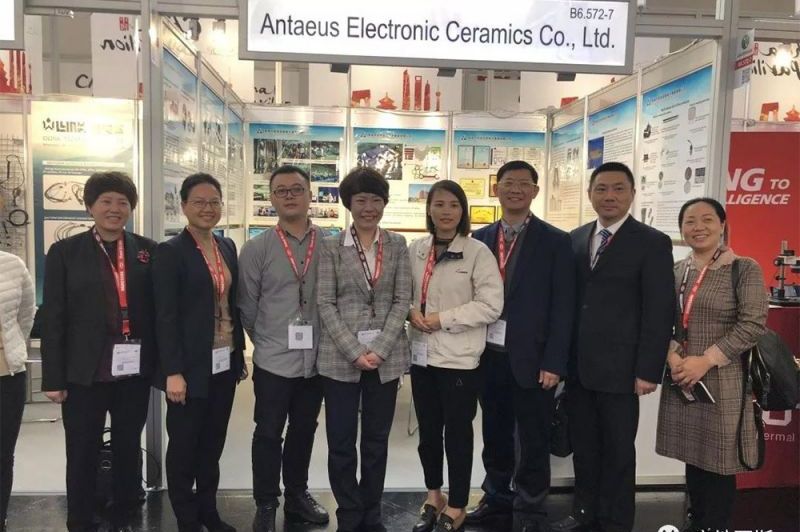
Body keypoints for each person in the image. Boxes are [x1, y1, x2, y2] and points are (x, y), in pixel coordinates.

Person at [552, 162, 674, 532]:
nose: (609, 196)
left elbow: (659, 310)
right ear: (590, 193)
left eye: (618, 188)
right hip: (579, 368)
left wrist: (648, 370)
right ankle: (583, 514)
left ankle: (617, 521)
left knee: (619, 452)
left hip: (623, 369)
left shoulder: (652, 242)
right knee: (584, 448)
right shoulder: (574, 238)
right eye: (601, 188)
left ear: (632, 194)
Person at [40, 171, 158, 532]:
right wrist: (53, 378)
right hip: (84, 372)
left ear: (131, 208)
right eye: (106, 201)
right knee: (81, 448)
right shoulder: (65, 252)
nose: (114, 208)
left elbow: (159, 313)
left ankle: (124, 513)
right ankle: (80, 517)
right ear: (90, 206)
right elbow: (53, 317)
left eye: (123, 202)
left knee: (127, 445)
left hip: (133, 371)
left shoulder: (148, 251)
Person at [468, 161, 577, 532]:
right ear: (496, 189)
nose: (515, 190)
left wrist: (555, 362)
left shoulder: (556, 241)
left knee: (533, 438)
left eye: (523, 184)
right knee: (494, 435)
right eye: (508, 183)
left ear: (535, 191)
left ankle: (530, 509)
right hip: (487, 357)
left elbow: (563, 306)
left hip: (534, 359)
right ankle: (496, 499)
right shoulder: (479, 239)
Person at [656, 198, 767, 532]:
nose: (698, 227)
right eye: (690, 221)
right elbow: (664, 322)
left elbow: (753, 324)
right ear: (681, 229)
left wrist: (705, 360)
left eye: (707, 219)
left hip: (723, 377)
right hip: (683, 376)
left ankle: (715, 524)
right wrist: (673, 356)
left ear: (722, 225)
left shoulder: (743, 268)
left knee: (719, 461)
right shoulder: (677, 270)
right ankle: (698, 520)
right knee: (694, 455)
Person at [316, 167, 412, 532]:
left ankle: (372, 512)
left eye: (375, 200)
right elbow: (325, 303)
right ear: (348, 204)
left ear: (384, 203)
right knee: (341, 443)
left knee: (376, 442)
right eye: (361, 200)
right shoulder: (330, 246)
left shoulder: (397, 244)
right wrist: (354, 351)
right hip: (340, 358)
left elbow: (402, 300)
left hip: (385, 359)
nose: (368, 207)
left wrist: (381, 349)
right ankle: (349, 511)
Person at [408, 180, 504, 532]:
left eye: (453, 205)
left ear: (462, 211)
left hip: (460, 361)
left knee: (458, 435)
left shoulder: (478, 252)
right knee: (428, 434)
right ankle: (434, 495)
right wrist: (410, 312)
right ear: (429, 209)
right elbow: (403, 292)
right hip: (422, 357)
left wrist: (442, 319)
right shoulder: (417, 250)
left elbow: (491, 305)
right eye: (439, 204)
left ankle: (459, 503)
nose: (446, 211)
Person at [152, 173, 246, 532]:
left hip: (224, 361)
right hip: (188, 368)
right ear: (184, 206)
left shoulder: (226, 247)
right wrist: (172, 371)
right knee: (184, 446)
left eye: (214, 202)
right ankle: (187, 518)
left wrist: (238, 356)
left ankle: (209, 511)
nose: (208, 208)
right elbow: (165, 316)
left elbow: (231, 304)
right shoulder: (170, 252)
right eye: (199, 202)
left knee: (212, 444)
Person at [238, 165, 329, 532]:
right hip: (274, 361)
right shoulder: (257, 248)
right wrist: (268, 341)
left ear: (310, 195)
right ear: (272, 198)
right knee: (268, 433)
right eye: (281, 191)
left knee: (304, 430)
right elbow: (247, 306)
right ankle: (265, 502)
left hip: (316, 360)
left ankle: (297, 496)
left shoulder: (330, 245)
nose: (290, 196)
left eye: (297, 189)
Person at [0, 251, 34, 532]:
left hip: (7, 376)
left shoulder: (12, 265)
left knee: (2, 454)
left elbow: (26, 316)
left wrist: (13, 350)